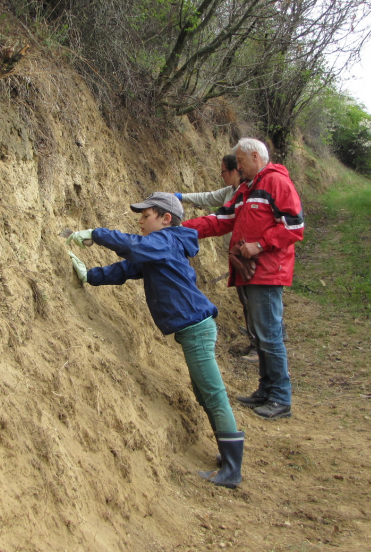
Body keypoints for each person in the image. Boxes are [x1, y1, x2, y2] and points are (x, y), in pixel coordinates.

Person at [66, 192, 244, 488]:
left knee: (212, 394)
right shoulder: (158, 249)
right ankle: (228, 459)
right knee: (205, 395)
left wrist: (96, 235)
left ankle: (232, 469)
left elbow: (132, 247)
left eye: (145, 215)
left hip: (197, 330)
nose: (140, 220)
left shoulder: (167, 240)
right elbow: (126, 268)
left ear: (166, 219)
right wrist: (91, 276)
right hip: (193, 330)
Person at [183, 138, 303, 420]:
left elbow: (295, 226)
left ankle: (281, 398)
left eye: (240, 161)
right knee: (261, 334)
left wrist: (260, 245)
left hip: (268, 271)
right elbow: (221, 219)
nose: (237, 165)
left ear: (255, 156)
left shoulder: (276, 183)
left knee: (269, 335)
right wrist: (181, 229)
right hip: (253, 271)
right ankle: (266, 390)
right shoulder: (247, 189)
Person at [174, 155, 260, 362]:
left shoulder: (248, 194)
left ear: (234, 171)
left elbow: (219, 220)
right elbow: (207, 198)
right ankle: (255, 341)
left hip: (250, 256)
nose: (221, 175)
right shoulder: (231, 192)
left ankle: (261, 348)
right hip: (239, 255)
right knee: (247, 300)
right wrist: (180, 196)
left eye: (223, 171)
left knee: (256, 301)